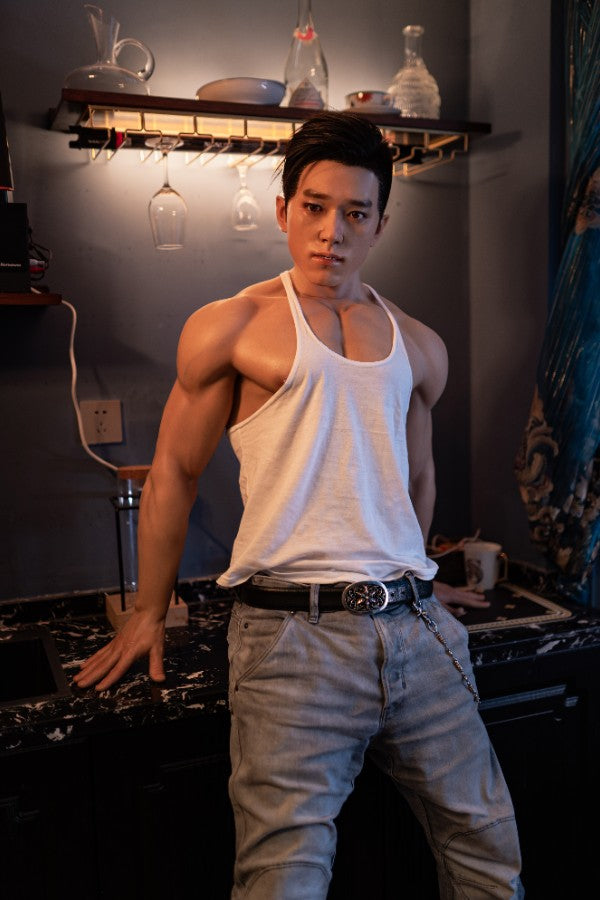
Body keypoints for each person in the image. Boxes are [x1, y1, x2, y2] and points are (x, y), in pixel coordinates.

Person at [76, 111, 523, 899]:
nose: (331, 233)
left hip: (415, 633)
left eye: (355, 213)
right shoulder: (233, 326)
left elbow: (417, 478)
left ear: (380, 223)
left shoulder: (419, 343)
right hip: (290, 640)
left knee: (489, 854)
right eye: (314, 207)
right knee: (283, 882)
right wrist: (148, 609)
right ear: (284, 210)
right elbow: (175, 471)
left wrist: (417, 574)